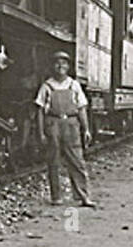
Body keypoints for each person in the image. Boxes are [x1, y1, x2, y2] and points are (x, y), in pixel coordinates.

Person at [34, 51, 95, 207]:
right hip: (53, 124)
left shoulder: (74, 85)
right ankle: (56, 197)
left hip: (71, 124)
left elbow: (81, 108)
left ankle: (83, 196)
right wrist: (41, 132)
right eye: (57, 63)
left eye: (64, 63)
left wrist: (86, 129)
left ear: (68, 66)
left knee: (77, 161)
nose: (60, 66)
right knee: (53, 162)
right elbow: (40, 111)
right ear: (52, 66)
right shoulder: (46, 86)